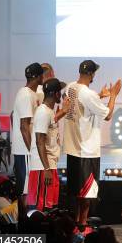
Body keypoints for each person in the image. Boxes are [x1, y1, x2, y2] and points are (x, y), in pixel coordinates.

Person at [63, 60, 122, 231]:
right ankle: (82, 225)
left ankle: (75, 225)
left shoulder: (71, 87)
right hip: (86, 150)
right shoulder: (88, 94)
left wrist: (99, 96)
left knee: (76, 192)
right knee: (87, 193)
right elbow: (108, 115)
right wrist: (113, 95)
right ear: (91, 74)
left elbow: (85, 103)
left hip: (73, 147)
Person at [27, 78, 68, 211]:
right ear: (56, 94)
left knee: (49, 207)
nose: (61, 95)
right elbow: (40, 141)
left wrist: (64, 110)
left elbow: (52, 122)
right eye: (59, 92)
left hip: (49, 165)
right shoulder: (43, 112)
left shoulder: (48, 111)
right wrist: (46, 170)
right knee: (41, 209)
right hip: (42, 168)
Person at [11, 62, 44, 211]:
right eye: (42, 74)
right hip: (25, 151)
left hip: (27, 149)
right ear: (37, 77)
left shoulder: (32, 94)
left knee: (29, 189)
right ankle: (25, 225)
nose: (44, 77)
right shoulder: (25, 95)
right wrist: (33, 151)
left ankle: (27, 223)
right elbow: (24, 127)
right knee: (26, 190)